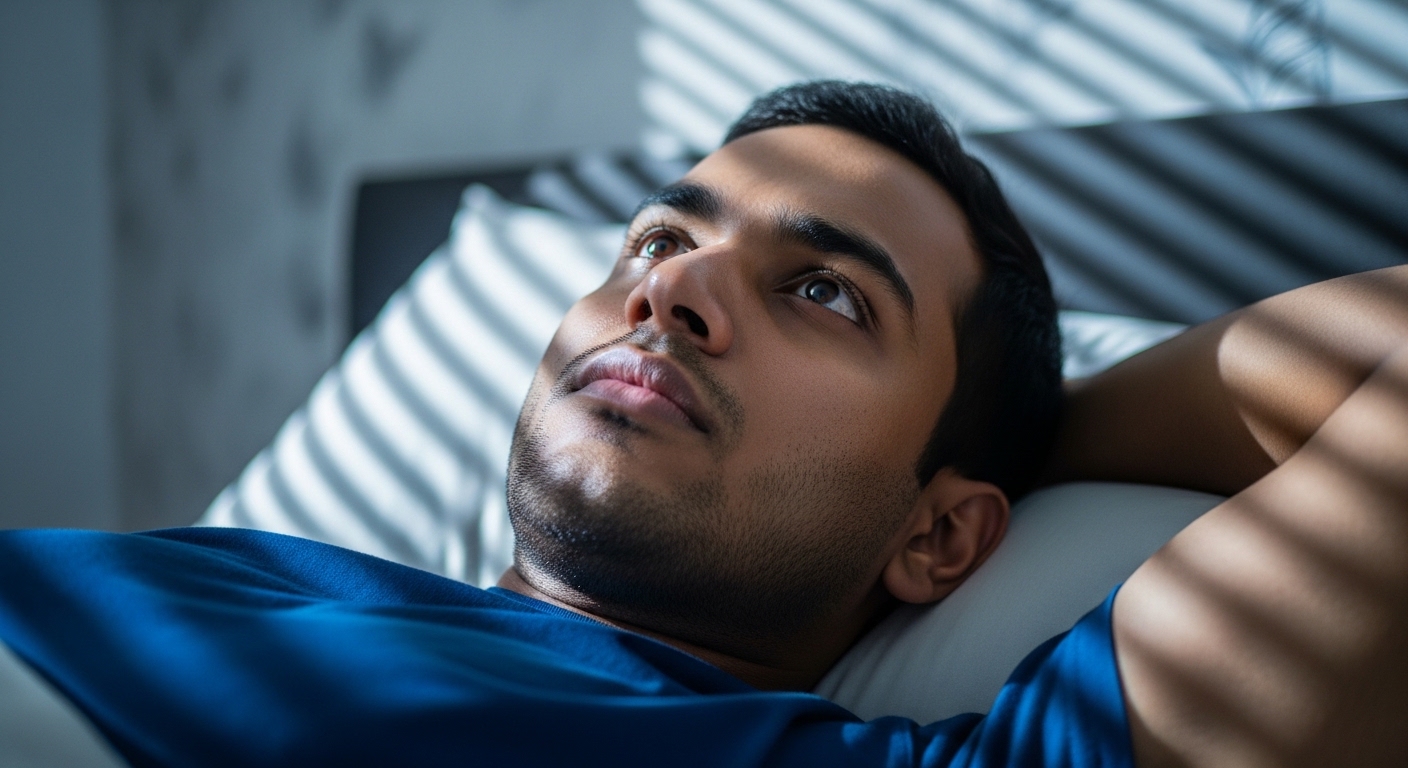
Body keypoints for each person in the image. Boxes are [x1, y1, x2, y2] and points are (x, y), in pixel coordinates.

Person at [1, 81, 1405, 767]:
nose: (670, 288)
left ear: (941, 536)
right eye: (658, 237)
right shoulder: (237, 566)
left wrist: (1030, 439)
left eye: (824, 292)